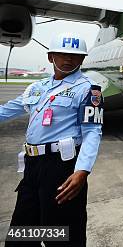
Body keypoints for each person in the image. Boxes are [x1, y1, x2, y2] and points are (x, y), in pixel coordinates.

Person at [0, 32, 103, 247]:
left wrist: (82, 170)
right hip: (32, 166)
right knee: (23, 230)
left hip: (61, 167)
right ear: (50, 57)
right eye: (62, 54)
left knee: (61, 233)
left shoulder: (88, 89)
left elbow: (92, 131)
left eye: (75, 56)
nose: (69, 59)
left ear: (82, 59)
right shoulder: (37, 87)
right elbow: (9, 110)